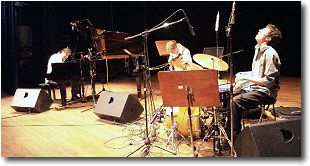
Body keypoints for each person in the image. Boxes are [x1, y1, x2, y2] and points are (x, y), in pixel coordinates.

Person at [225, 24, 282, 145]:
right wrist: (242, 77)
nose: (259, 30)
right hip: (256, 88)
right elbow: (256, 74)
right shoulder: (258, 50)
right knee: (228, 94)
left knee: (235, 102)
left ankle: (233, 140)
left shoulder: (270, 53)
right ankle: (227, 132)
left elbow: (268, 81)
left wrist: (245, 78)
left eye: (263, 30)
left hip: (266, 92)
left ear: (268, 38)